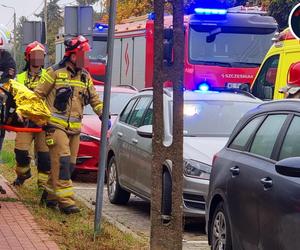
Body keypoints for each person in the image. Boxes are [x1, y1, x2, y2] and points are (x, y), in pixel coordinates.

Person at [34, 35, 106, 214]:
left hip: (74, 130)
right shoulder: (54, 72)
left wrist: (103, 114)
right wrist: (40, 117)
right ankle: (66, 202)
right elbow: (37, 96)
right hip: (54, 127)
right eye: (84, 55)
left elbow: (95, 100)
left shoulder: (85, 77)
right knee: (63, 161)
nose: (87, 59)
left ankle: (49, 197)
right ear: (73, 56)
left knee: (69, 165)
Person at [13, 41, 51, 188]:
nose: (37, 58)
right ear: (27, 57)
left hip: (43, 124)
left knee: (44, 157)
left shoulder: (49, 76)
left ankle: (42, 185)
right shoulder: (20, 78)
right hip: (26, 122)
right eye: (34, 55)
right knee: (20, 152)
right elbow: (15, 97)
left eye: (40, 55)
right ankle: (23, 174)